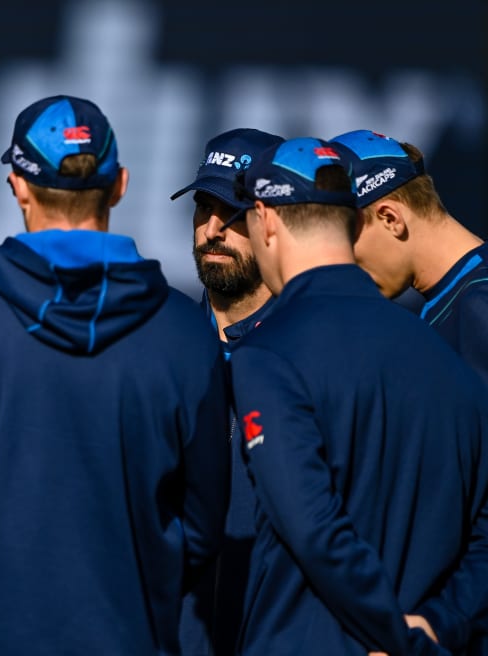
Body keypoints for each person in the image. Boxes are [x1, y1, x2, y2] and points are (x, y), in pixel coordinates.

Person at [0, 94, 231, 655]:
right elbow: (202, 520)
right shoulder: (182, 330)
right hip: (124, 631)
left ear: (18, 186)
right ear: (121, 184)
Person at [228, 137, 488, 654]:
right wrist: (438, 624)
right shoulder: (444, 350)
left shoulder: (266, 356)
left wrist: (394, 632)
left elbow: (312, 528)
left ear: (265, 218)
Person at [330, 128, 488, 653]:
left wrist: (461, 590)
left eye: (345, 243)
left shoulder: (485, 308)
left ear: (390, 217)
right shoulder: (463, 296)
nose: (342, 265)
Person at [169, 127, 283, 656]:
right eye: (203, 208)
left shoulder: (309, 353)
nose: (213, 229)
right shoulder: (157, 346)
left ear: (274, 223)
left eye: (234, 212)